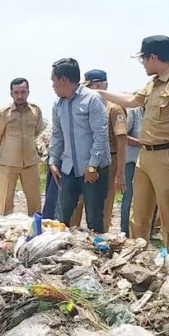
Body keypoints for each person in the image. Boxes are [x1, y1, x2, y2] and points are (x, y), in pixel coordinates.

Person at [97, 35, 169, 266]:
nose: (143, 64)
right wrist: (101, 93)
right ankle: (138, 263)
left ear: (153, 57)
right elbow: (132, 100)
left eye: (143, 59)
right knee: (139, 213)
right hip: (146, 156)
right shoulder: (154, 83)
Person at [48, 58, 110, 231]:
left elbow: (100, 135)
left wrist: (92, 166)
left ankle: (98, 255)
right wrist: (53, 160)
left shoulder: (92, 99)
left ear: (64, 80)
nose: (52, 86)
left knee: (94, 220)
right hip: (68, 169)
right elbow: (57, 134)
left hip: (93, 170)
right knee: (61, 219)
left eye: (54, 81)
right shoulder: (58, 104)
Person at [69, 69, 126, 232]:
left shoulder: (114, 109)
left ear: (99, 85)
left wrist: (120, 173)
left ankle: (99, 241)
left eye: (89, 86)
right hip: (86, 160)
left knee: (102, 205)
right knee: (77, 202)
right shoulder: (86, 107)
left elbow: (122, 141)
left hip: (109, 161)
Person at [0, 78, 44, 216]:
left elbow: (38, 132)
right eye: (16, 92)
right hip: (8, 162)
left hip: (30, 162)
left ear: (28, 92)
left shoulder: (36, 110)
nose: (20, 95)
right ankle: (3, 231)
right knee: (5, 201)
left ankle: (35, 230)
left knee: (34, 200)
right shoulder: (3, 112)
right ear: (11, 94)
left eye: (23, 91)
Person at [120, 106, 143, 236]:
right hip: (132, 161)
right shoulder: (133, 112)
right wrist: (143, 143)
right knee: (128, 197)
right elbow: (124, 136)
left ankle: (145, 232)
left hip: (148, 162)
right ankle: (125, 231)